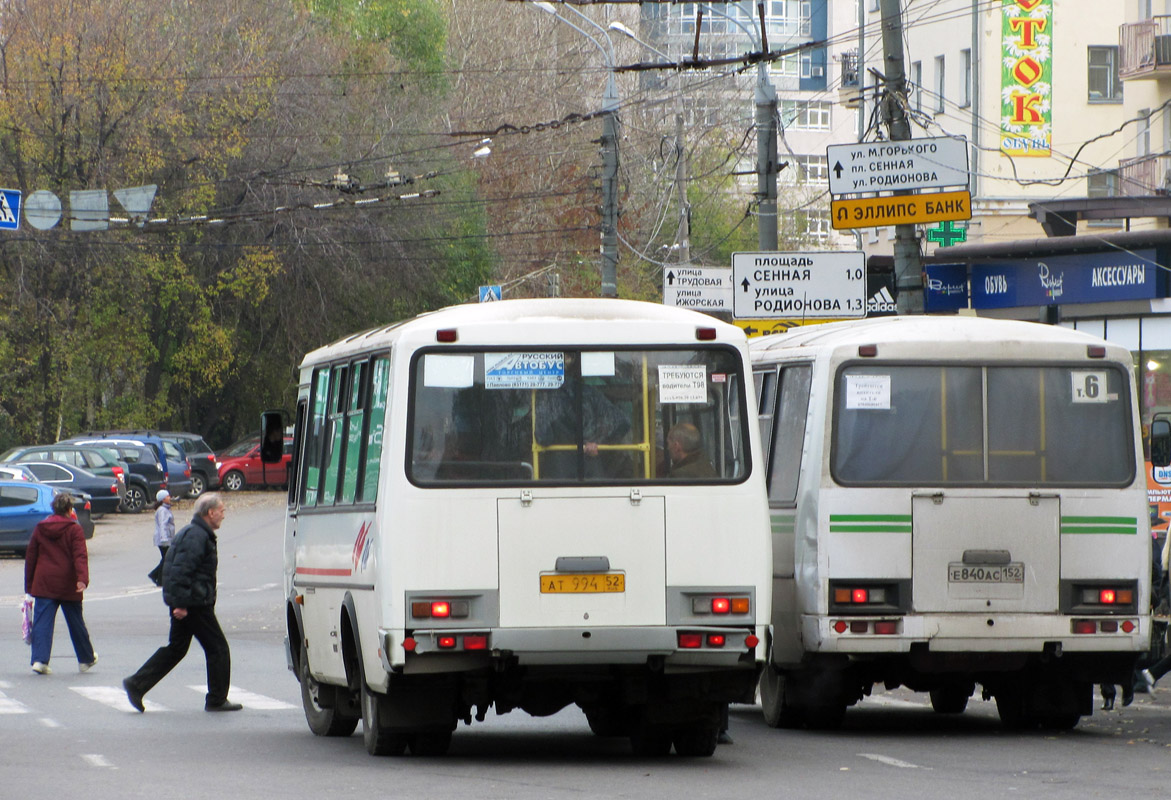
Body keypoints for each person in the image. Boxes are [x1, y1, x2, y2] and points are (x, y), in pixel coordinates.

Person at [123, 493, 242, 712]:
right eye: (222, 511)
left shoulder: (196, 533)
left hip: (188, 601)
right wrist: (179, 604)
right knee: (218, 649)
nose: (224, 515)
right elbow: (180, 571)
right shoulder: (196, 536)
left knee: (176, 649)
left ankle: (136, 684)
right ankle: (216, 699)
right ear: (210, 512)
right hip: (193, 603)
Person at [24, 492, 97, 675]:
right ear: (69, 509)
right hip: (68, 583)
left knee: (42, 623)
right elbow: (79, 555)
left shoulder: (40, 528)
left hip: (44, 582)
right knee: (76, 622)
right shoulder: (74, 529)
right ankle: (86, 659)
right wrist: (82, 579)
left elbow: (31, 557)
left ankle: (40, 661)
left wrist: (29, 586)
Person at [146, 489, 174, 587]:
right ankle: (158, 578)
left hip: (166, 538)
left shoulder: (165, 509)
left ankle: (155, 576)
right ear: (162, 499)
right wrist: (164, 538)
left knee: (166, 558)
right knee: (167, 559)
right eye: (167, 496)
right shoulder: (162, 510)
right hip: (163, 539)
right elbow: (163, 525)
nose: (169, 498)